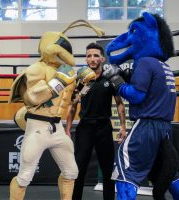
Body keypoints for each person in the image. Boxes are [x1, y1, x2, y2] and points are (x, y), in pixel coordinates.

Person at [103, 12, 179, 200]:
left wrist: (116, 80)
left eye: (134, 32)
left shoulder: (144, 62)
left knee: (125, 173)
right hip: (164, 129)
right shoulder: (162, 66)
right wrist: (126, 76)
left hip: (145, 127)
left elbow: (136, 96)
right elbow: (153, 91)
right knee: (168, 173)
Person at [8, 31, 96, 200]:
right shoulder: (36, 69)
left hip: (58, 128)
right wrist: (59, 82)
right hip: (37, 127)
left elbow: (70, 101)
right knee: (25, 175)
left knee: (71, 172)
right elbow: (31, 98)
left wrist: (84, 87)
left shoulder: (67, 72)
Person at [65, 42, 126, 200]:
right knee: (78, 169)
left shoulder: (110, 78)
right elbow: (72, 106)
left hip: (104, 128)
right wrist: (67, 130)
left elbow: (119, 103)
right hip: (85, 128)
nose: (92, 58)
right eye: (88, 56)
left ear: (102, 59)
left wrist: (123, 127)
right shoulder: (80, 80)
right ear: (86, 59)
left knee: (107, 170)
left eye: (95, 55)